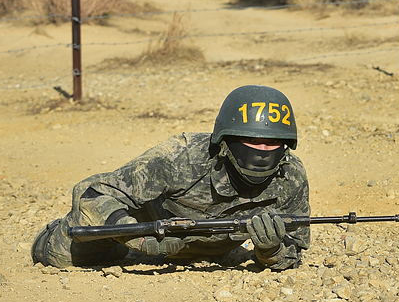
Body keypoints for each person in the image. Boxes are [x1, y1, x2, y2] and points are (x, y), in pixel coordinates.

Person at [31, 85, 309, 270]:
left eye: (273, 142)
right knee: (59, 255)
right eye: (252, 140)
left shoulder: (290, 177)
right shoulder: (181, 157)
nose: (262, 151)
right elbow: (93, 193)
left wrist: (271, 250)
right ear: (226, 141)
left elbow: (293, 250)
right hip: (136, 229)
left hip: (209, 254)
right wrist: (133, 236)